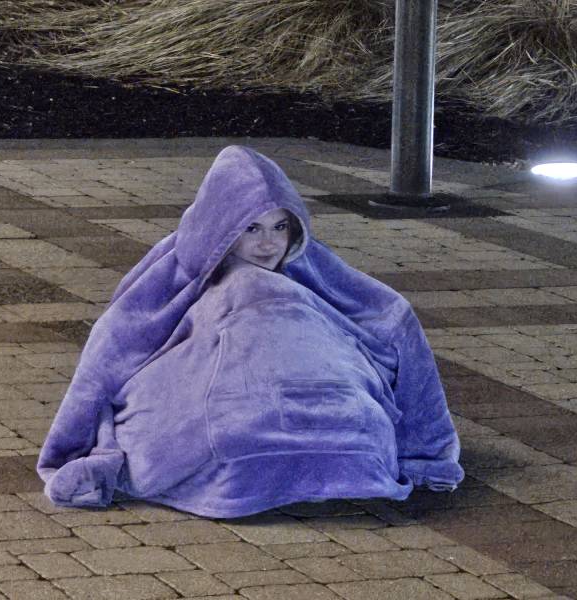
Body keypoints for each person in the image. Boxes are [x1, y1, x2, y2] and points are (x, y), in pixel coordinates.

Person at [37, 145, 464, 518]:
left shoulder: (310, 265)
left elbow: (389, 313)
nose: (267, 244)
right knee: (228, 430)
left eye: (280, 227)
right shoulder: (180, 267)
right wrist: (66, 451)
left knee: (361, 426)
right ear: (221, 230)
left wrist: (426, 453)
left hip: (323, 378)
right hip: (218, 383)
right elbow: (113, 344)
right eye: (251, 229)